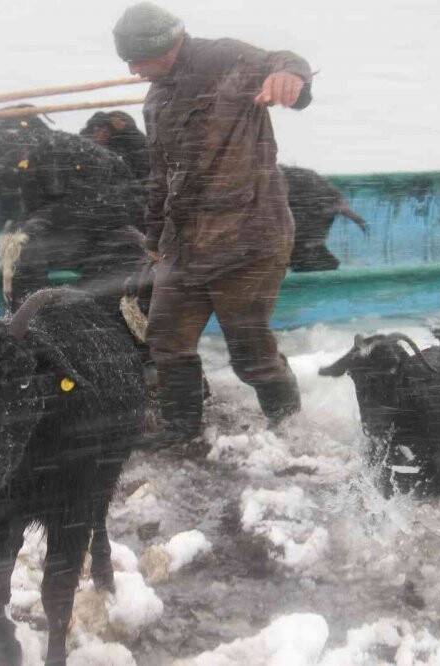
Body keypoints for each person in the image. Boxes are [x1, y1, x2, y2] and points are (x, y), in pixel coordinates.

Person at [112, 2, 313, 445]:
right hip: (184, 244)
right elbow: (160, 175)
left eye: (138, 60)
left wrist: (291, 79)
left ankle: (289, 431)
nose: (133, 71)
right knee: (166, 340)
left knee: (250, 352)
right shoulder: (156, 98)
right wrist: (153, 238)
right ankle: (181, 428)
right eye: (126, 61)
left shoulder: (225, 60)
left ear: (166, 45)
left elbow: (284, 62)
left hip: (249, 238)